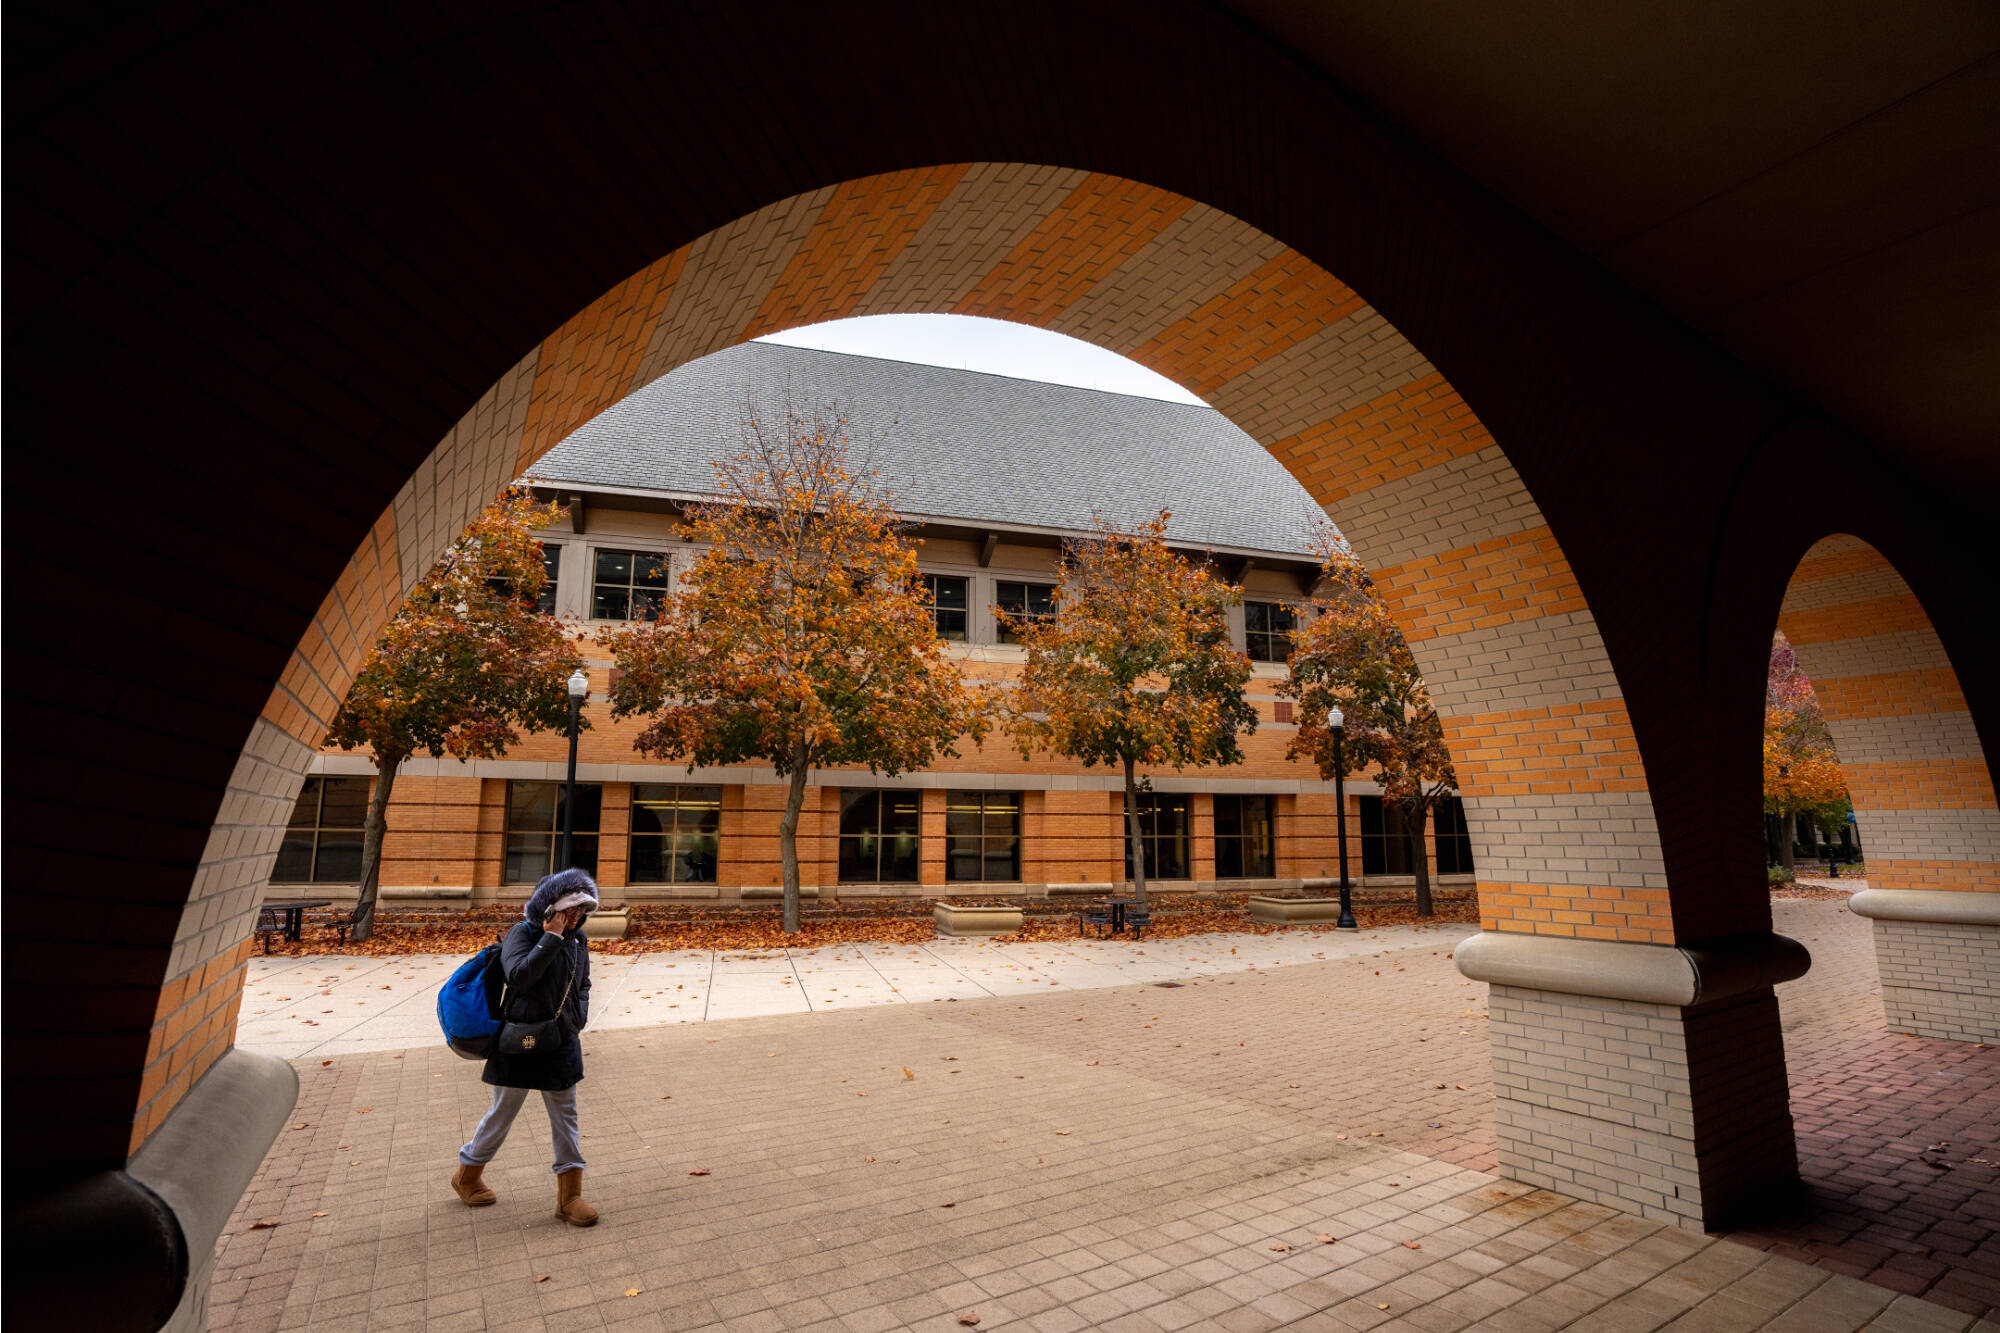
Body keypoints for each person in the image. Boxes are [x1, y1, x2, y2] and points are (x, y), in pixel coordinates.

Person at [449, 867, 599, 1225]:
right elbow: (520, 975)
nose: (577, 916)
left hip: (561, 1041)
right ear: (552, 907)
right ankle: (467, 1176)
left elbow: (583, 983)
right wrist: (551, 937)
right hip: (521, 1040)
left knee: (566, 1117)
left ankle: (570, 1196)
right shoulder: (524, 932)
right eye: (571, 909)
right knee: (502, 1113)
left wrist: (578, 1017)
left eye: (582, 910)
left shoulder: (579, 940)